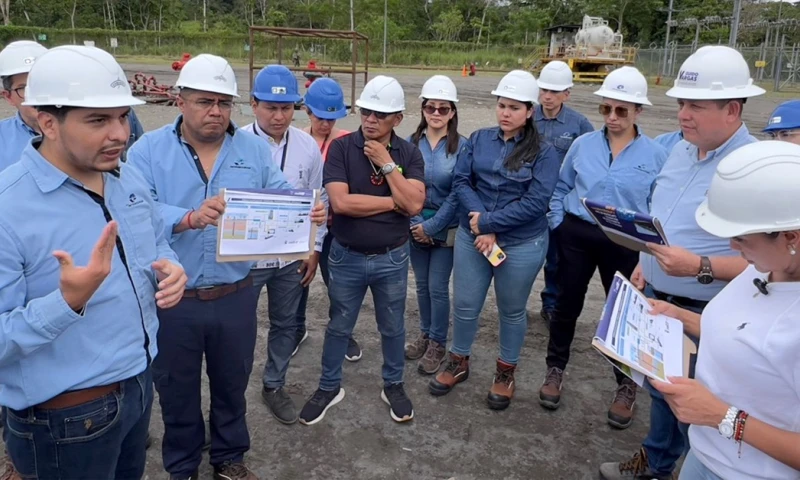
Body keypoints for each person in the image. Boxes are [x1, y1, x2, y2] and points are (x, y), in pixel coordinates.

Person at [127, 54, 325, 480]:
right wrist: (188, 217)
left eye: (223, 102)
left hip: (235, 294)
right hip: (173, 298)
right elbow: (134, 210)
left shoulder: (252, 149)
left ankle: (229, 457)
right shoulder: (148, 151)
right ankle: (182, 466)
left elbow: (279, 192)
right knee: (176, 389)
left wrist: (305, 212)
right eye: (204, 101)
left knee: (232, 384)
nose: (215, 111)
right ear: (180, 100)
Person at [0, 45, 186, 480]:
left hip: (138, 385)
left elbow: (156, 242)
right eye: (98, 120)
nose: (120, 134)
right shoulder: (8, 208)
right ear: (48, 123)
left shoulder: (126, 176)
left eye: (123, 116)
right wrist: (66, 303)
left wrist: (171, 266)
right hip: (65, 418)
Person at [599, 45, 764, 480]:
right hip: (660, 296)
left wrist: (699, 267)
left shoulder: (751, 169)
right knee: (663, 389)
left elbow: (771, 265)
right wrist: (645, 262)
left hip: (711, 311)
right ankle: (656, 463)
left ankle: (694, 468)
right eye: (681, 104)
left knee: (703, 406)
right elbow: (664, 214)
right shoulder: (679, 150)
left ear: (732, 110)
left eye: (695, 106)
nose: (683, 115)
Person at [649, 140, 800, 479]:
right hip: (704, 456)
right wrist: (680, 317)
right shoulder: (767, 267)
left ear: (790, 237)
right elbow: (745, 335)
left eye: (742, 238)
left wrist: (723, 417)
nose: (731, 246)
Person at [539, 66, 668, 429]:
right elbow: (561, 187)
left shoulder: (656, 155)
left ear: (638, 111)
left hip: (626, 242)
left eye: (621, 110)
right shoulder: (583, 145)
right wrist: (559, 224)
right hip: (578, 234)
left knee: (626, 314)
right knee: (566, 304)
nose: (612, 117)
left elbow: (659, 206)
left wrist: (647, 252)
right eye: (606, 108)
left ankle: (626, 384)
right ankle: (555, 368)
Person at [429, 70, 560, 411]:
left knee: (512, 310)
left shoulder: (544, 152)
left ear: (529, 111)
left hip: (520, 243)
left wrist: (489, 222)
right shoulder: (479, 139)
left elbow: (536, 202)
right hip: (474, 237)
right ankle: (458, 361)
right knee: (465, 303)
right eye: (502, 105)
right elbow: (462, 182)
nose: (505, 113)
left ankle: (505, 372)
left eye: (514, 108)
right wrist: (481, 223)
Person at [299, 75, 425, 425]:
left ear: (397, 118)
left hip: (392, 257)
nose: (370, 119)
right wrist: (393, 202)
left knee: (393, 326)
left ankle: (393, 384)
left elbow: (415, 204)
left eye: (379, 115)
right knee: (339, 325)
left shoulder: (408, 153)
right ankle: (328, 386)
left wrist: (387, 163)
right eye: (366, 112)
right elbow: (341, 203)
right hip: (346, 255)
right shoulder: (342, 148)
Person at [239, 64, 332, 425]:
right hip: (246, 260)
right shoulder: (235, 144)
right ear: (253, 104)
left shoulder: (307, 147)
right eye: (270, 107)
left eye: (286, 108)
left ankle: (274, 384)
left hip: (289, 258)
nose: (278, 116)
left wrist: (314, 248)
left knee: (285, 324)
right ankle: (233, 392)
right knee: (239, 327)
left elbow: (319, 199)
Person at [404, 75, 466, 375]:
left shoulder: (462, 147)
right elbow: (402, 185)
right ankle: (426, 333)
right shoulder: (410, 143)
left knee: (438, 287)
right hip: (414, 224)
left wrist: (432, 227)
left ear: (452, 112)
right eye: (431, 107)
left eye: (443, 108)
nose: (436, 113)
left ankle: (438, 342)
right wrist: (417, 223)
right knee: (421, 286)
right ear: (423, 109)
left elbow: (458, 192)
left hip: (446, 226)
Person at [533, 60, 594, 326]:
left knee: (557, 260)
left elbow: (591, 162)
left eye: (554, 91)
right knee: (522, 257)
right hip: (528, 201)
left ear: (566, 94)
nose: (548, 96)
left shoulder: (579, 125)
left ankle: (551, 304)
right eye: (544, 90)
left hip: (558, 204)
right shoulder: (526, 117)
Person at [300, 77, 354, 338]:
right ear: (307, 111)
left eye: (331, 119)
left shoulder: (347, 141)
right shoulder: (298, 141)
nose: (325, 124)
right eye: (320, 118)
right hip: (304, 224)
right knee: (299, 278)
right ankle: (296, 328)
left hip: (338, 226)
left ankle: (344, 333)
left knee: (339, 284)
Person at [0, 40, 47, 172]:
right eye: (24, 89)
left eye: (42, 84)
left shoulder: (81, 130)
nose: (36, 95)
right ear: (8, 96)